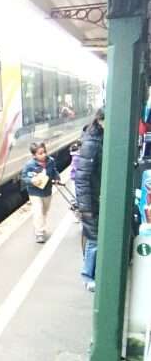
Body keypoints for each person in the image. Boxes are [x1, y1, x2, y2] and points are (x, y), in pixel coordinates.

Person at [75, 108, 105, 292]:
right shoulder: (92, 142)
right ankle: (87, 276)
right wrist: (85, 207)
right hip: (91, 200)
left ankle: (91, 274)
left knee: (94, 237)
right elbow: (82, 177)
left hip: (95, 198)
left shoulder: (96, 138)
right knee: (94, 239)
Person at [21, 141, 62, 243]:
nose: (43, 155)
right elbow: (24, 177)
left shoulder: (50, 161)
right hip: (34, 192)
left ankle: (39, 225)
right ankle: (39, 232)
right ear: (34, 155)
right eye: (40, 153)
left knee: (44, 211)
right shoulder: (29, 165)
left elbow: (54, 171)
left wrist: (57, 178)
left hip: (47, 191)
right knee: (37, 210)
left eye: (44, 152)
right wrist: (31, 181)